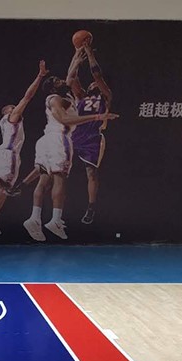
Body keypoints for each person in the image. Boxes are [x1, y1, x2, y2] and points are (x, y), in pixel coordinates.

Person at [21, 64, 117, 241]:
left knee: (45, 179)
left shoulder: (73, 97)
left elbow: (71, 76)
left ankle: (34, 218)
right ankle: (55, 220)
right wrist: (98, 116)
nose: (62, 81)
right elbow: (65, 116)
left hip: (53, 138)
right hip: (61, 137)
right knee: (60, 179)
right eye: (57, 81)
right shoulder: (63, 98)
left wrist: (78, 55)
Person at [0, 60, 48, 236]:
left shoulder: (5, 123)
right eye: (13, 107)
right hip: (10, 154)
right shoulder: (12, 116)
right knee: (6, 187)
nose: (17, 107)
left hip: (3, 152)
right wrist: (39, 76)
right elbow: (27, 97)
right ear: (7, 111)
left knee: (5, 188)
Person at [67, 42, 112, 225]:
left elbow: (97, 74)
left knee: (91, 173)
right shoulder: (81, 96)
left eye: (96, 83)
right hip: (75, 136)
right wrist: (76, 55)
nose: (93, 82)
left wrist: (90, 54)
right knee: (53, 166)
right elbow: (71, 78)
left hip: (93, 138)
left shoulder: (106, 96)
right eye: (92, 83)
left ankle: (91, 207)